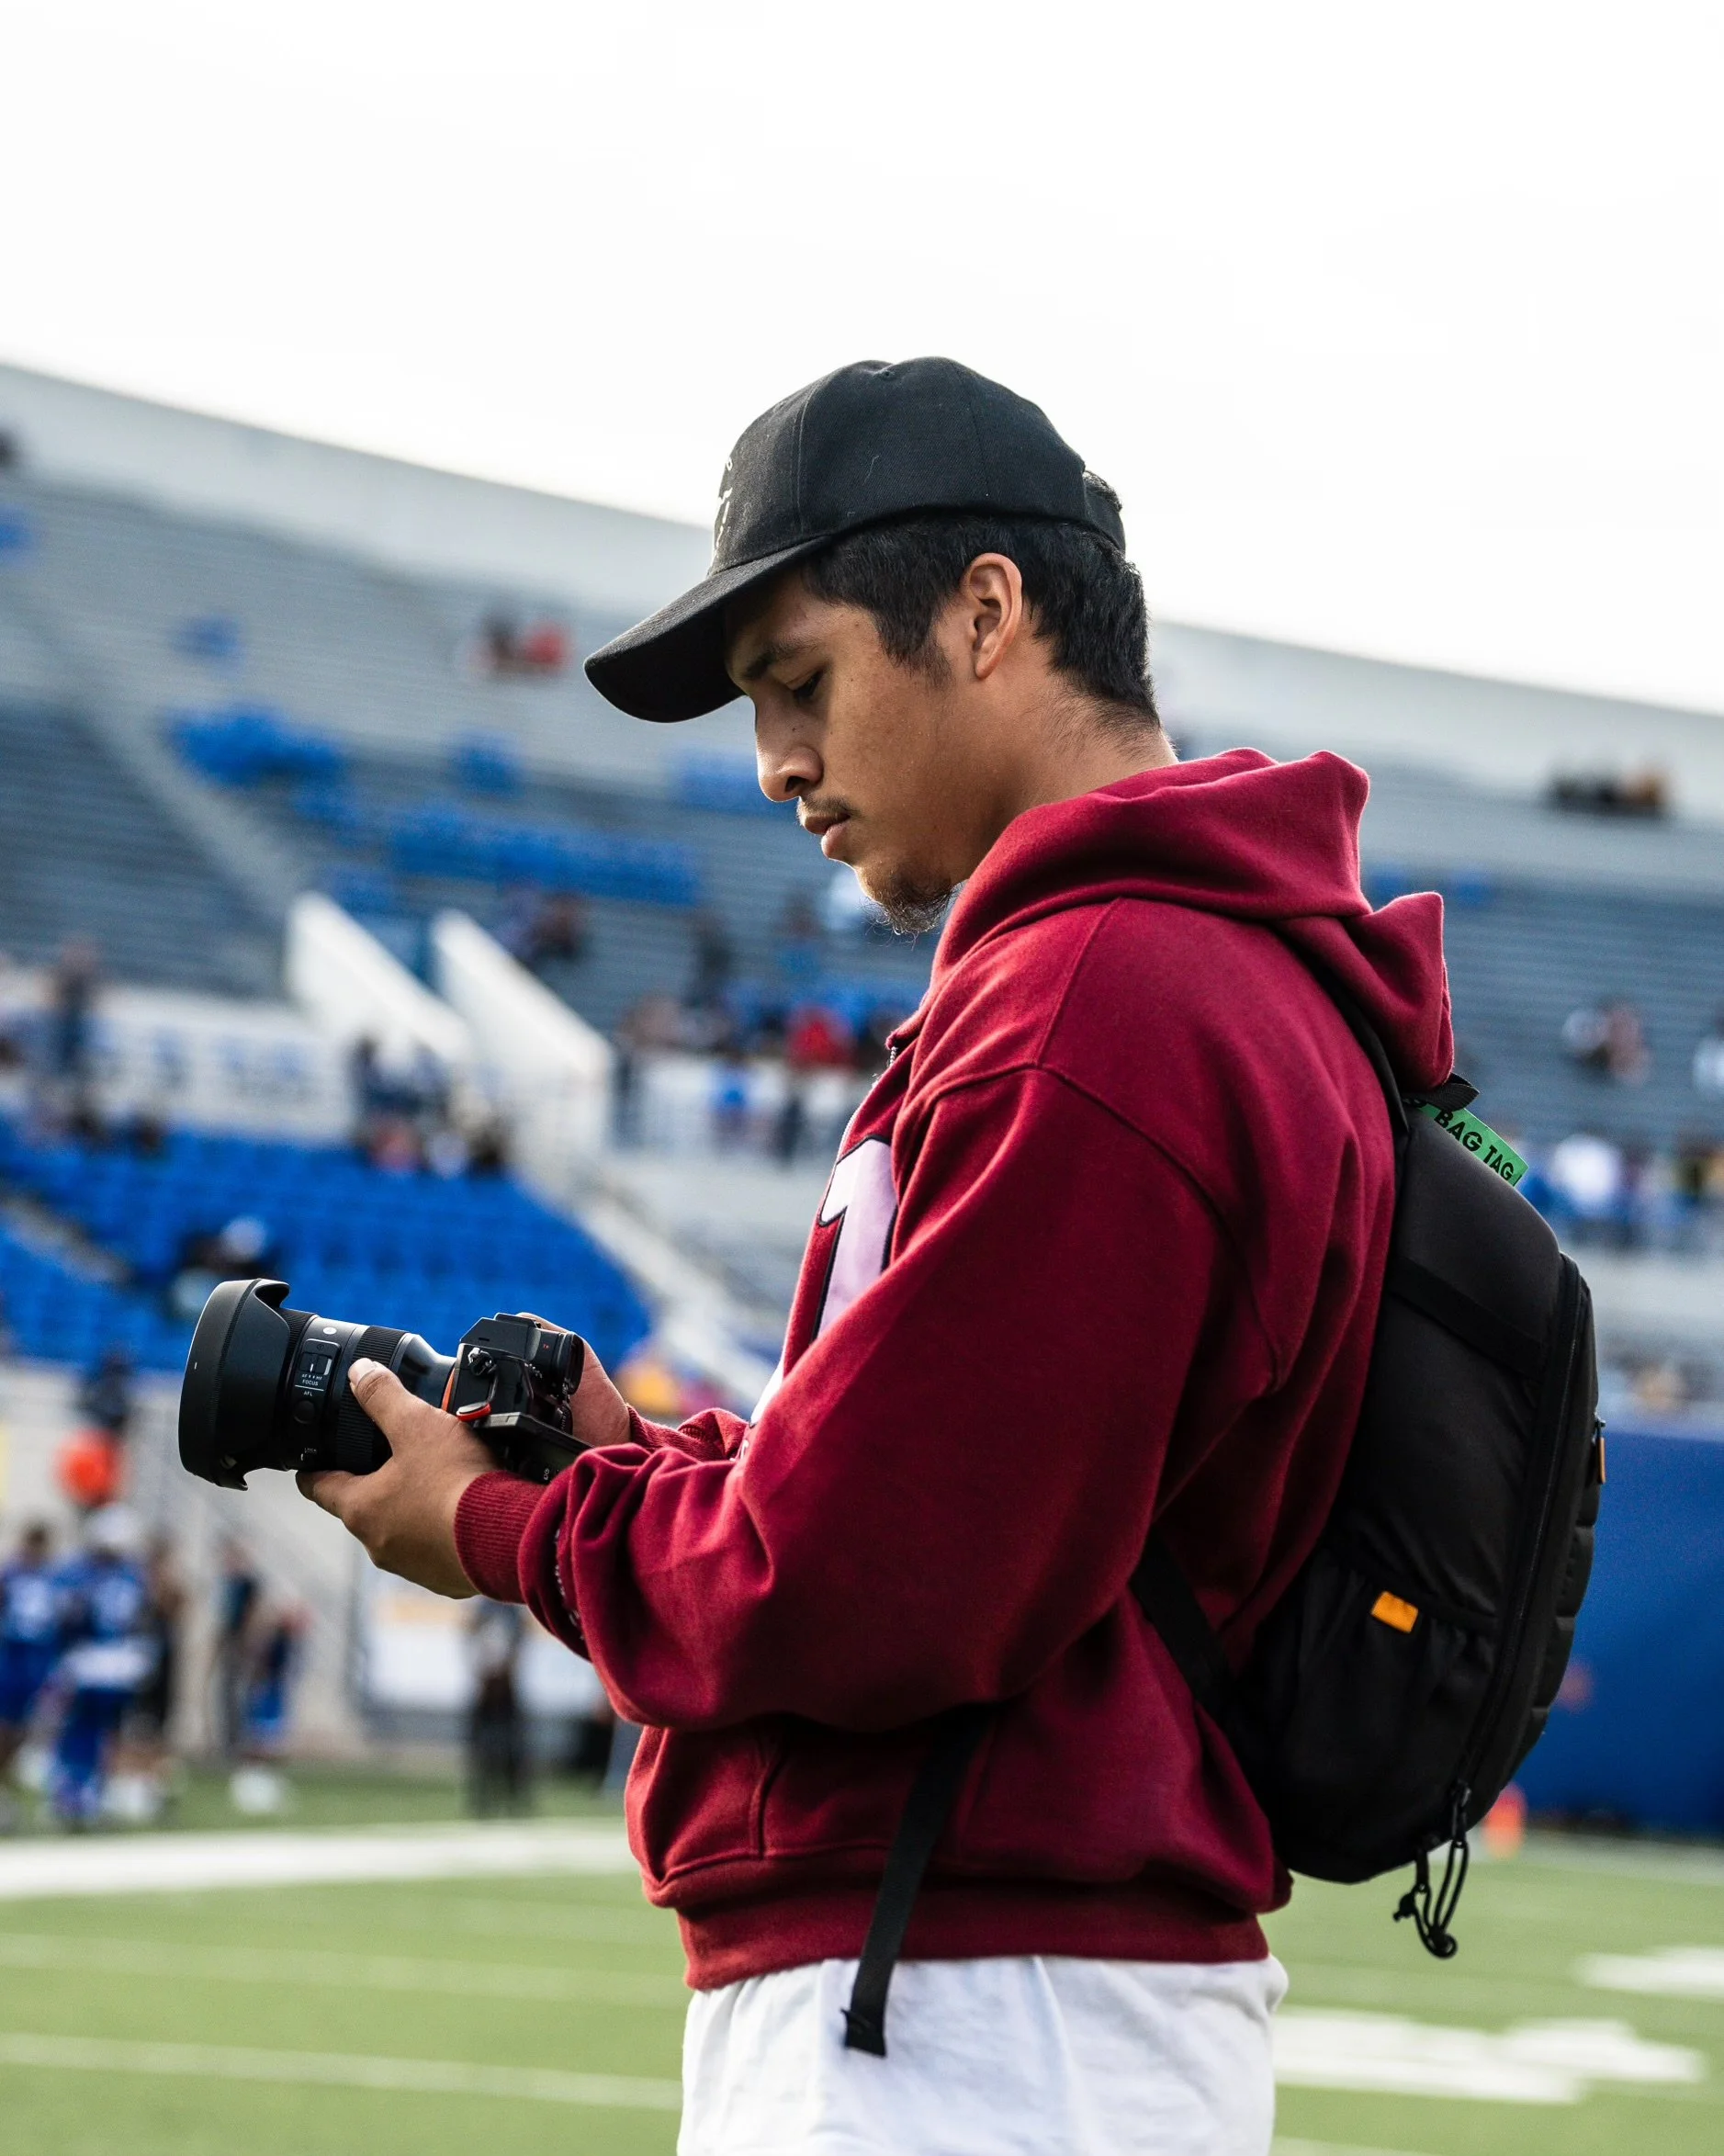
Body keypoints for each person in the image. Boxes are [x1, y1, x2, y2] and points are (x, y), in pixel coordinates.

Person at [299, 358, 1454, 2156]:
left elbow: (865, 1587)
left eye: (800, 679)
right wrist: (636, 1467)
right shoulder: (1161, 974)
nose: (772, 760)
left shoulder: (1102, 995)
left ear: (985, 613)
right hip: (1005, 1997)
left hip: (971, 2013)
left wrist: (509, 1525)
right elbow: (954, 1517)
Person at [49, 1506, 155, 1827]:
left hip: (104, 1659)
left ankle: (85, 1792)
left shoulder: (121, 1573)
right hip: (96, 1658)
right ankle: (75, 1791)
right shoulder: (107, 1573)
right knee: (83, 1727)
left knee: (100, 1728)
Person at [0, 1523, 61, 1823]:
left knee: (23, 1730)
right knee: (5, 1727)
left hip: (36, 1665)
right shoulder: (10, 1575)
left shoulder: (52, 1578)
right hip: (10, 1659)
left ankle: (6, 1786)